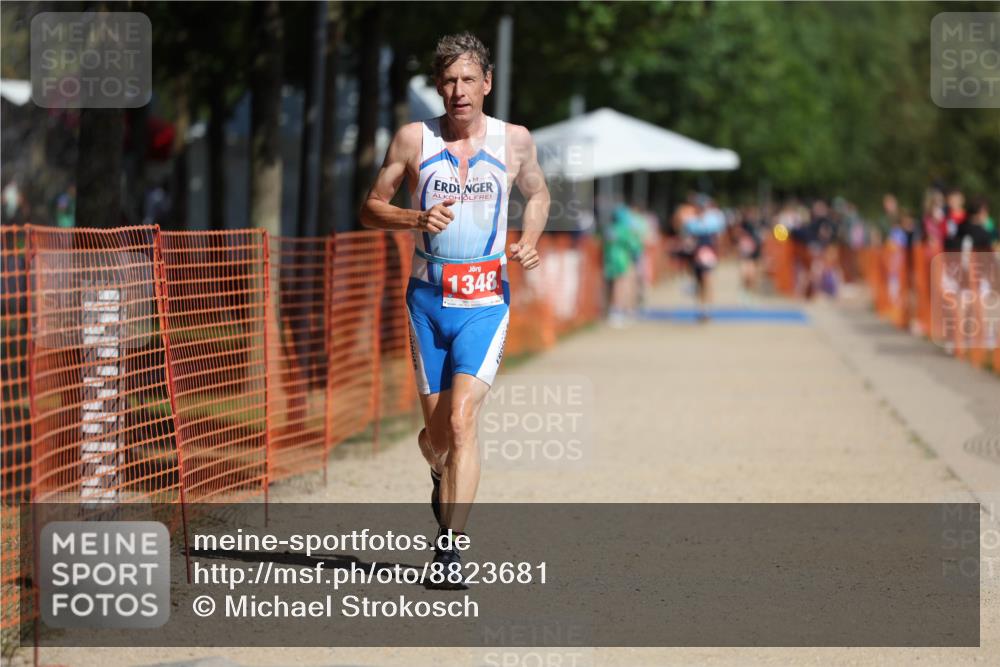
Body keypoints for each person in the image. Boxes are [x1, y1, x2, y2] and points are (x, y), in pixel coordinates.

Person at [359, 32, 549, 588]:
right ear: (438, 87)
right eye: (448, 81)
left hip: (486, 302)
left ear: (486, 83)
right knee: (438, 436)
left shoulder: (514, 141)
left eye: (468, 80)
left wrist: (530, 236)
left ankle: (449, 550)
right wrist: (415, 220)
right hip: (426, 301)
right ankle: (435, 461)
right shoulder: (412, 140)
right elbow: (371, 207)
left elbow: (537, 194)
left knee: (464, 423)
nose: (458, 91)